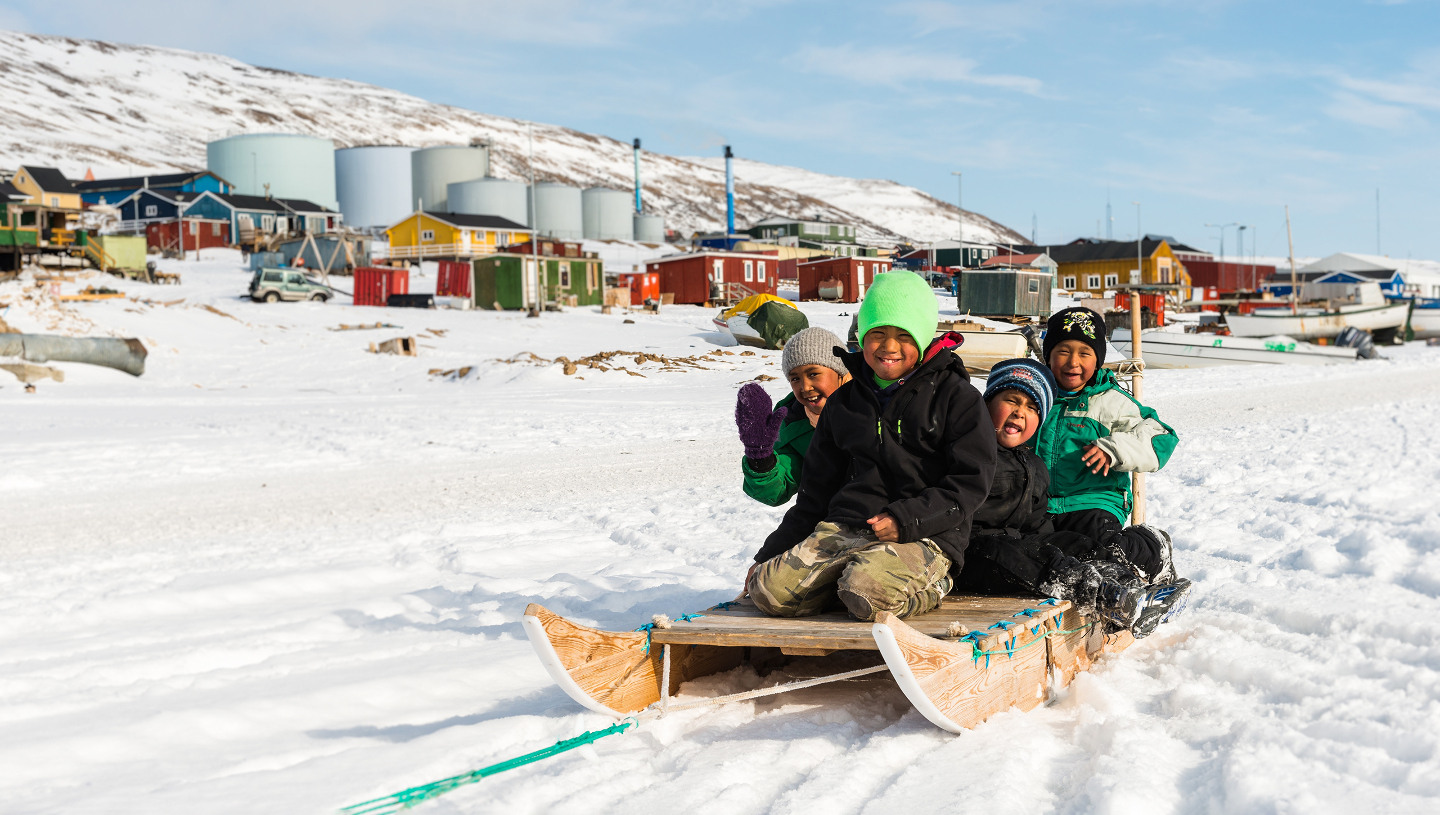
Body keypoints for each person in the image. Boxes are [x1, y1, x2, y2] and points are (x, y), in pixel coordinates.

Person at [746, 271, 996, 621]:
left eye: (903, 335)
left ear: (923, 337)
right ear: (863, 337)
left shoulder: (957, 398)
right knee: (768, 591)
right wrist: (768, 556)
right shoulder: (844, 403)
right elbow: (815, 494)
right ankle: (846, 586)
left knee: (868, 594)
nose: (889, 346)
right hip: (846, 528)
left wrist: (906, 519)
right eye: (877, 333)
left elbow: (970, 483)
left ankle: (933, 585)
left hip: (927, 533)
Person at [734, 327, 850, 506]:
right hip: (833, 514)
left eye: (813, 374)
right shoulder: (794, 425)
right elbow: (777, 490)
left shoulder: (872, 402)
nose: (805, 387)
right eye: (795, 379)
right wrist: (760, 458)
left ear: (840, 372)